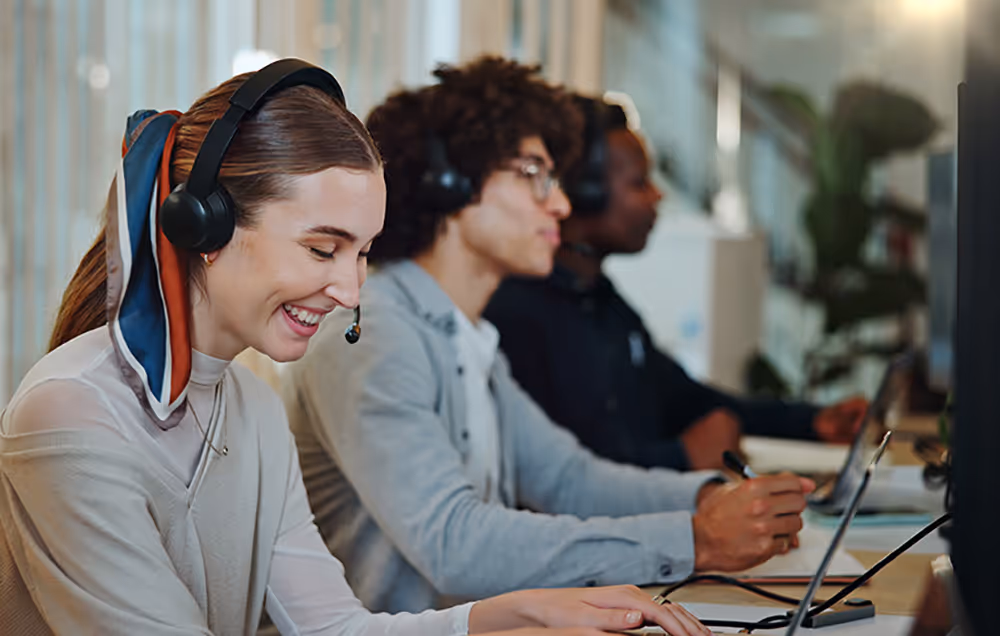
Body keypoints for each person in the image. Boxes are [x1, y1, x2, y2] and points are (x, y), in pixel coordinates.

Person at [0, 59, 711, 636]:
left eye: (363, 253)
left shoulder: (249, 405)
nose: (349, 289)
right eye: (322, 249)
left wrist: (519, 614)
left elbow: (333, 627)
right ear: (204, 230)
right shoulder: (72, 418)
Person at [283, 56, 814, 617]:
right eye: (534, 174)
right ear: (454, 185)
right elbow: (453, 543)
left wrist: (710, 499)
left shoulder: (468, 337)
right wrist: (697, 539)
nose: (559, 204)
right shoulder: (373, 335)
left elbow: (568, 479)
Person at [484, 95, 868, 472]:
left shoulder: (603, 304)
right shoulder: (521, 315)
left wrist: (812, 423)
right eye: (639, 183)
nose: (658, 195)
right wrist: (681, 458)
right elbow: (562, 480)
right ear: (585, 193)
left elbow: (685, 400)